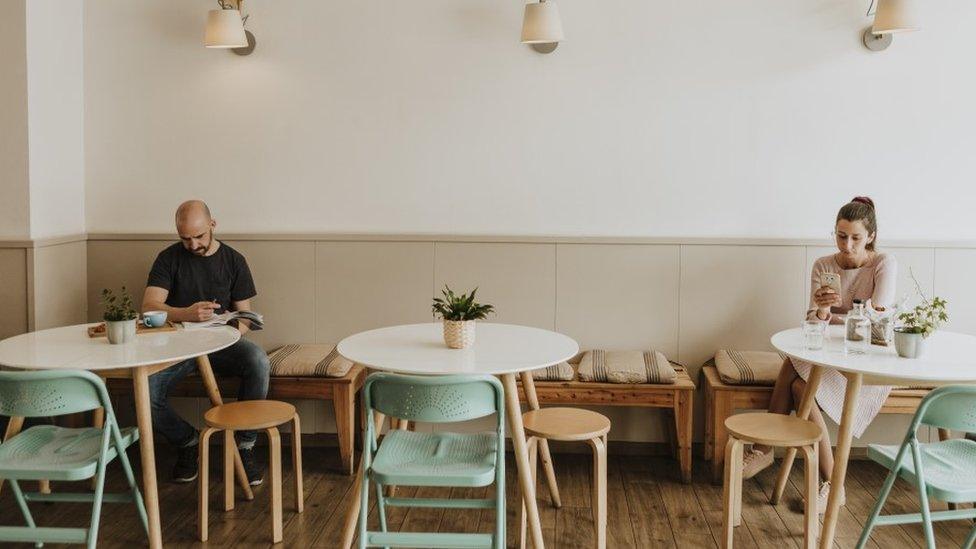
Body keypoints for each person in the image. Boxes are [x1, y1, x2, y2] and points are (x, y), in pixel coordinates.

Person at [742, 196, 896, 512]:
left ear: (871, 236)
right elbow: (813, 322)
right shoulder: (823, 265)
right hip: (828, 353)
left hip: (865, 359)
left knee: (795, 373)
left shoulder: (883, 264)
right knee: (799, 384)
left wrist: (834, 317)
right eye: (841, 236)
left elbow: (878, 317)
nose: (847, 245)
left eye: (855, 237)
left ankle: (763, 449)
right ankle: (832, 485)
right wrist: (824, 309)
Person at [142, 200, 270, 484]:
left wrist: (230, 329)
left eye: (199, 236)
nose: (193, 244)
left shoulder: (234, 260)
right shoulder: (168, 258)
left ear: (213, 225)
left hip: (222, 344)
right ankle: (187, 442)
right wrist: (184, 313)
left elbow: (245, 316)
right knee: (146, 391)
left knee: (258, 360)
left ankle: (245, 447)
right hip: (178, 345)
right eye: (185, 238)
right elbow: (149, 307)